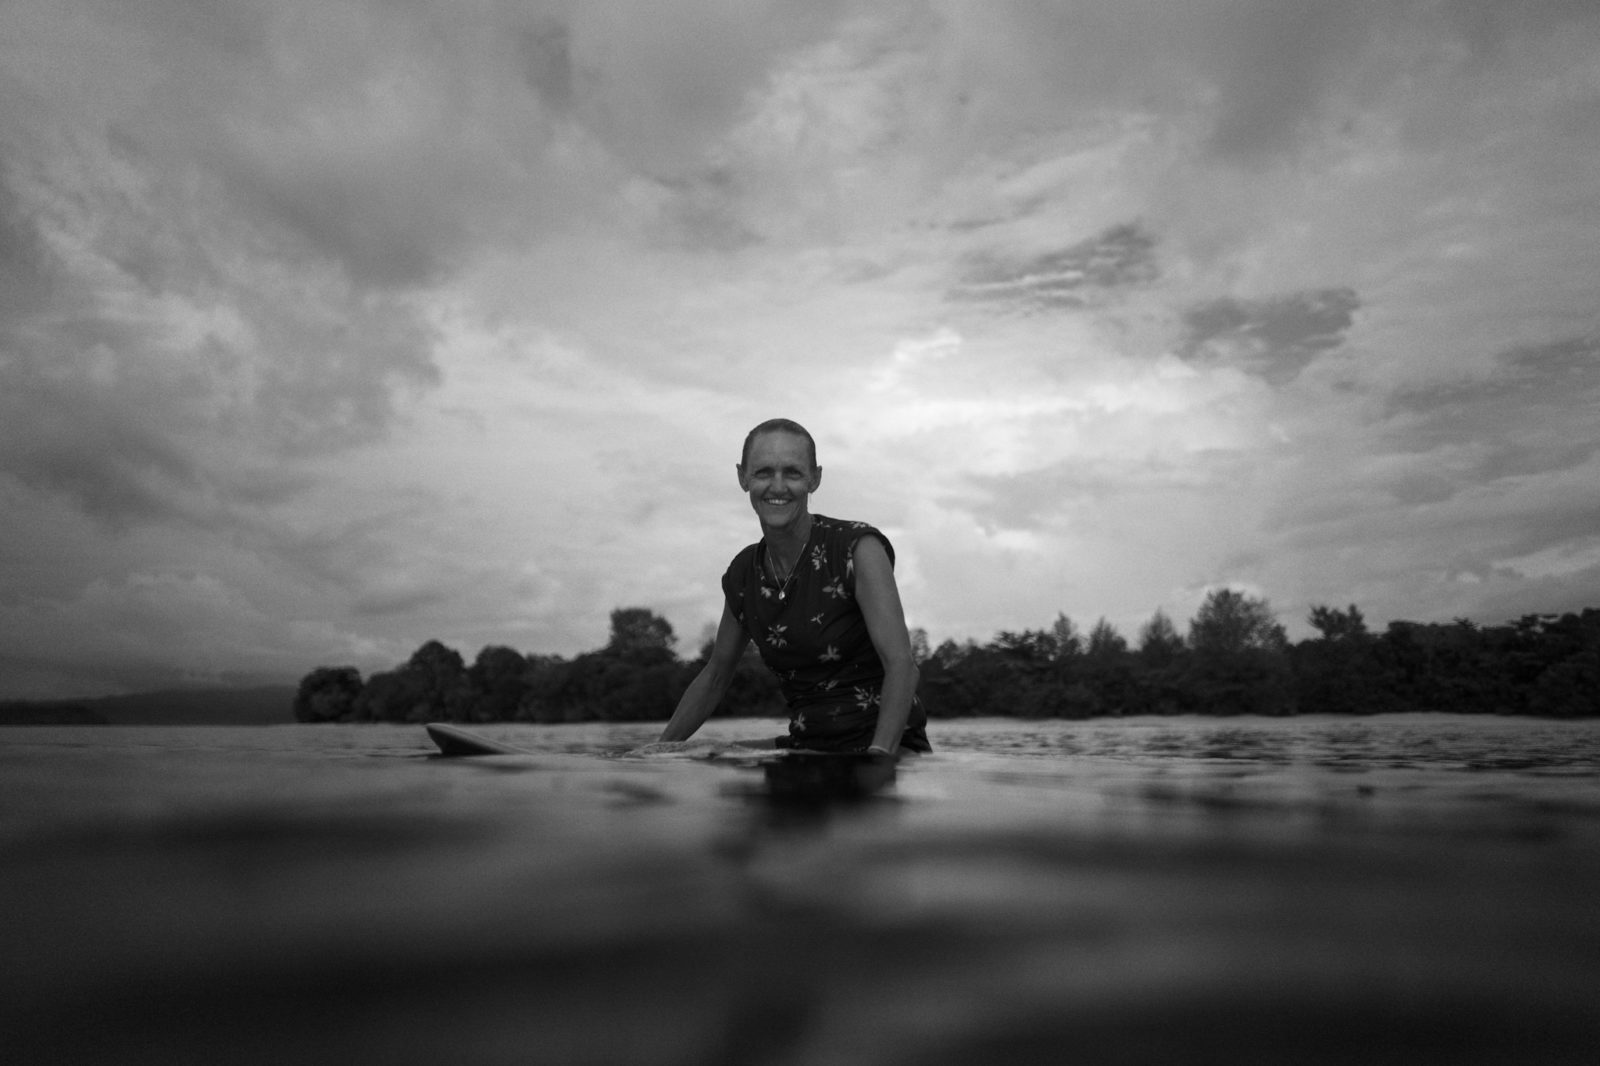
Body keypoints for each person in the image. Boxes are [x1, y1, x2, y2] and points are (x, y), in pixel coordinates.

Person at [659, 418, 932, 754]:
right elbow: (716, 674)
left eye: (792, 472)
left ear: (814, 479)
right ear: (743, 477)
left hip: (885, 748)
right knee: (704, 755)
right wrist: (658, 751)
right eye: (763, 472)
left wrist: (878, 760)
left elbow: (902, 666)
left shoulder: (856, 549)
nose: (777, 486)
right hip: (807, 747)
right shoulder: (744, 574)